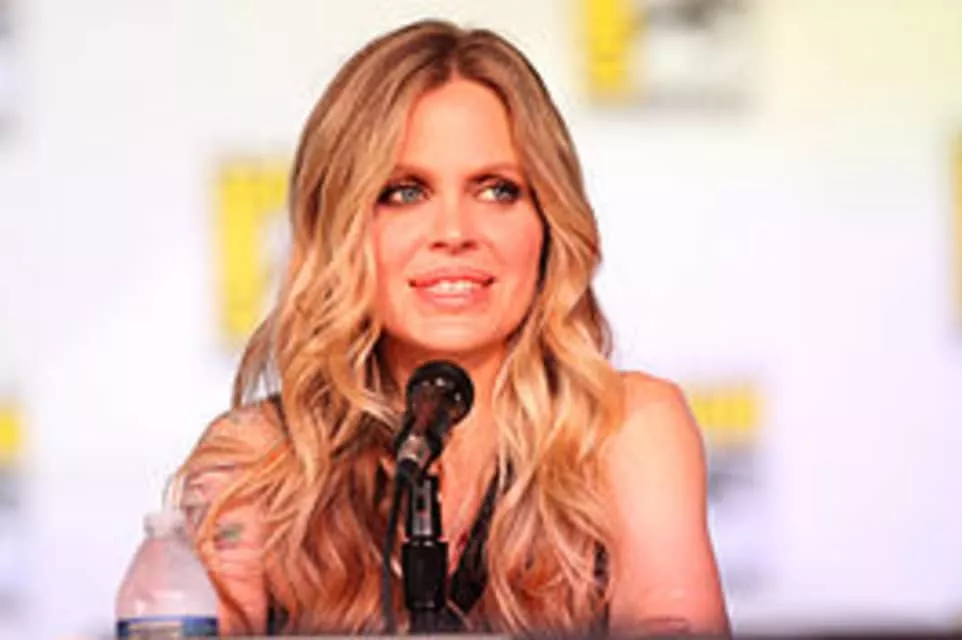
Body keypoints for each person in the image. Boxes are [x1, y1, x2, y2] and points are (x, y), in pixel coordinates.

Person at [172, 18, 729, 637]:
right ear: (339, 226)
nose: (456, 232)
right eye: (405, 192)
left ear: (548, 221)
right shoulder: (259, 460)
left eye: (497, 191)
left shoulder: (628, 428)